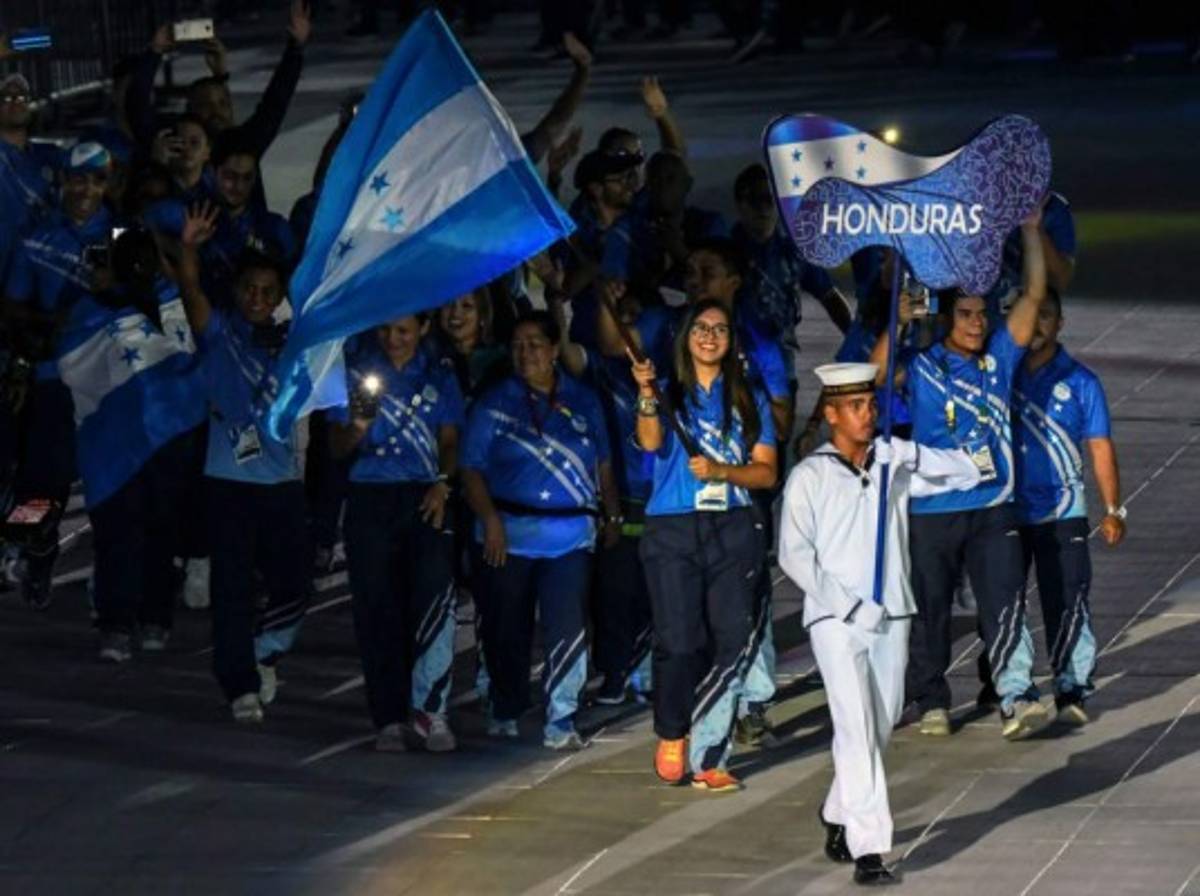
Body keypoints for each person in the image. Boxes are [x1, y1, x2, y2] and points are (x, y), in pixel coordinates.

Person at [779, 362, 980, 886]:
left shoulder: (891, 464)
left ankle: (836, 810)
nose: (868, 415)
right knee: (856, 727)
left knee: (882, 724)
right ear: (830, 415)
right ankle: (869, 849)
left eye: (871, 405)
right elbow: (794, 557)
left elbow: (969, 471)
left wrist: (908, 453)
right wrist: (846, 605)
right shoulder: (810, 476)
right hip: (836, 619)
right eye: (855, 407)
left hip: (892, 610)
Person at [870, 210, 1048, 740]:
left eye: (982, 314)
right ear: (947, 317)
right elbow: (877, 376)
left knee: (1004, 598)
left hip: (992, 505)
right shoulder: (922, 365)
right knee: (930, 611)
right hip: (932, 510)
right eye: (966, 313)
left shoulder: (999, 357)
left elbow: (1035, 295)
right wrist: (897, 321)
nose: (976, 323)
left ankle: (1016, 694)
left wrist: (1031, 229)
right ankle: (932, 700)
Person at [630, 299, 777, 792]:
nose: (710, 336)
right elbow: (650, 443)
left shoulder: (749, 396)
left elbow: (766, 470)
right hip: (672, 529)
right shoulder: (668, 392)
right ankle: (673, 730)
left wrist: (722, 472)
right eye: (700, 328)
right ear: (685, 337)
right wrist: (646, 394)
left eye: (720, 329)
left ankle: (711, 754)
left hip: (732, 524)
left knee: (730, 639)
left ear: (732, 340)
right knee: (679, 640)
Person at [176, 204, 311, 723]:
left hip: (280, 483)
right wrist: (188, 246)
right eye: (249, 290)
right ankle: (239, 684)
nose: (256, 299)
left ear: (279, 298)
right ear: (237, 292)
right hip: (227, 483)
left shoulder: (293, 346)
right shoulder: (219, 333)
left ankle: (267, 650)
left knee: (293, 582)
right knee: (231, 590)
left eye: (267, 293)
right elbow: (191, 294)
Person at [460, 311, 618, 750]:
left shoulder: (584, 400)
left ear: (553, 350)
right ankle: (506, 706)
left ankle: (562, 716)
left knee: (566, 625)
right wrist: (490, 519)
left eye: (534, 344)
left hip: (570, 537)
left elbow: (603, 461)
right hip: (507, 536)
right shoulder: (494, 402)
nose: (525, 352)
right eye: (518, 345)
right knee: (506, 626)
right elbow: (470, 467)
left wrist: (614, 513)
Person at [54, 226, 207, 662]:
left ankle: (154, 619)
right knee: (118, 534)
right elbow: (74, 366)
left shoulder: (172, 303)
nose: (140, 267)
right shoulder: (91, 311)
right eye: (131, 259)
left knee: (160, 531)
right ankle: (117, 624)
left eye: (147, 258)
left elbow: (190, 353)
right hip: (115, 446)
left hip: (166, 441)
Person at [330, 315, 465, 752]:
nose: (393, 338)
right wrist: (357, 427)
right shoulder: (355, 372)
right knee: (377, 608)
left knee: (431, 602)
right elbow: (335, 447)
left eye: (404, 330)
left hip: (425, 498)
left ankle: (431, 711)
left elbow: (449, 438)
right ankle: (388, 718)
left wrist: (444, 482)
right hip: (370, 498)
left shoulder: (439, 373)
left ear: (424, 327)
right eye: (386, 329)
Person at [3, 143, 116, 608]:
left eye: (95, 179)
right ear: (62, 181)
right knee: (42, 478)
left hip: (113, 386)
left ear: (108, 184)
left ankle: (113, 590)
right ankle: (33, 551)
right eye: (76, 178)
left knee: (112, 487)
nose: (84, 188)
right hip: (54, 379)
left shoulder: (124, 236)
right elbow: (11, 305)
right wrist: (38, 336)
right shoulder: (37, 237)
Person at [1011, 287, 1126, 724]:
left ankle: (1071, 685)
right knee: (1007, 600)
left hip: (1064, 512)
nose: (1037, 324)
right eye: (1029, 315)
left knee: (1068, 597)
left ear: (1060, 324)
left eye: (1047, 316)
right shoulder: (1003, 372)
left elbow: (1099, 447)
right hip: (1007, 510)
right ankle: (1014, 689)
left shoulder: (1081, 381)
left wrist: (1114, 509)